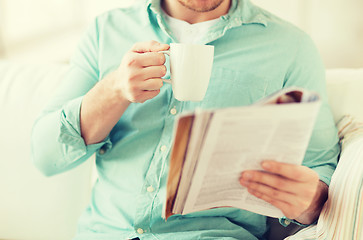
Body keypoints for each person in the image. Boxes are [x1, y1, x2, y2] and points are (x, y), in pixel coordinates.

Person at [31, 0, 340, 239]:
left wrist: (309, 202)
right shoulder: (106, 31)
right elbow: (45, 156)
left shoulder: (290, 48)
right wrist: (113, 91)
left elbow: (321, 166)